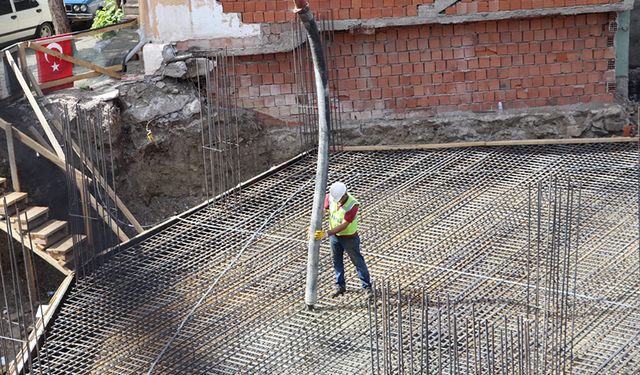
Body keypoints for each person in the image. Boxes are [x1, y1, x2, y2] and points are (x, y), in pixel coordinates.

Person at [314, 182, 372, 298]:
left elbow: (344, 225)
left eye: (340, 199)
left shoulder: (352, 205)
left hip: (349, 238)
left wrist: (327, 233)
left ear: (345, 194)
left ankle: (367, 287)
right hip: (335, 238)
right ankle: (340, 285)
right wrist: (314, 224)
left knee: (358, 262)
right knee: (336, 261)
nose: (338, 202)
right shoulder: (331, 197)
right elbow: (324, 210)